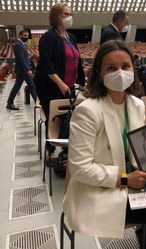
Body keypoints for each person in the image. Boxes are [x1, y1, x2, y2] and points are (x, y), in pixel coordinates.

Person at [63, 40, 146, 249]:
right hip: (102, 189)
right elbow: (80, 169)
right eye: (111, 68)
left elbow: (141, 151)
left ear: (133, 68)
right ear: (99, 72)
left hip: (136, 174)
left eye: (125, 67)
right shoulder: (87, 111)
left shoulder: (137, 104)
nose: (120, 73)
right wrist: (125, 180)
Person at [34, 2, 85, 155]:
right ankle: (50, 152)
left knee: (68, 118)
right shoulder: (49, 37)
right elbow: (46, 64)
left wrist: (81, 82)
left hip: (68, 85)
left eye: (70, 14)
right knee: (54, 119)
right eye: (66, 14)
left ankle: (65, 151)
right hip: (50, 86)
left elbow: (77, 61)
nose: (69, 17)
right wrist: (61, 84)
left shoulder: (71, 37)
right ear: (56, 16)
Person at [6, 30, 37, 110]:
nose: (26, 37)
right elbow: (21, 59)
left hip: (25, 70)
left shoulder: (23, 45)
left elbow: (25, 58)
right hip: (22, 71)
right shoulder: (18, 45)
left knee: (32, 86)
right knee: (17, 87)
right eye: (24, 35)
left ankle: (37, 102)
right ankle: (9, 103)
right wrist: (27, 70)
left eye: (27, 36)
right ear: (20, 36)